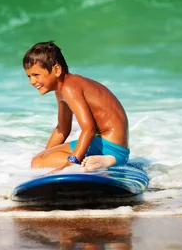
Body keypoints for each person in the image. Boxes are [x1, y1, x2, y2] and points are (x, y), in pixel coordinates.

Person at [23, 41, 130, 172]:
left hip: (108, 146)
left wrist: (71, 163)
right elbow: (62, 128)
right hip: (117, 148)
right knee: (41, 159)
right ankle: (100, 161)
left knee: (37, 161)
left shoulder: (69, 88)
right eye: (29, 76)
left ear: (57, 70)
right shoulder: (63, 89)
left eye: (36, 75)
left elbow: (88, 129)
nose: (32, 82)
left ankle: (94, 162)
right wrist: (46, 156)